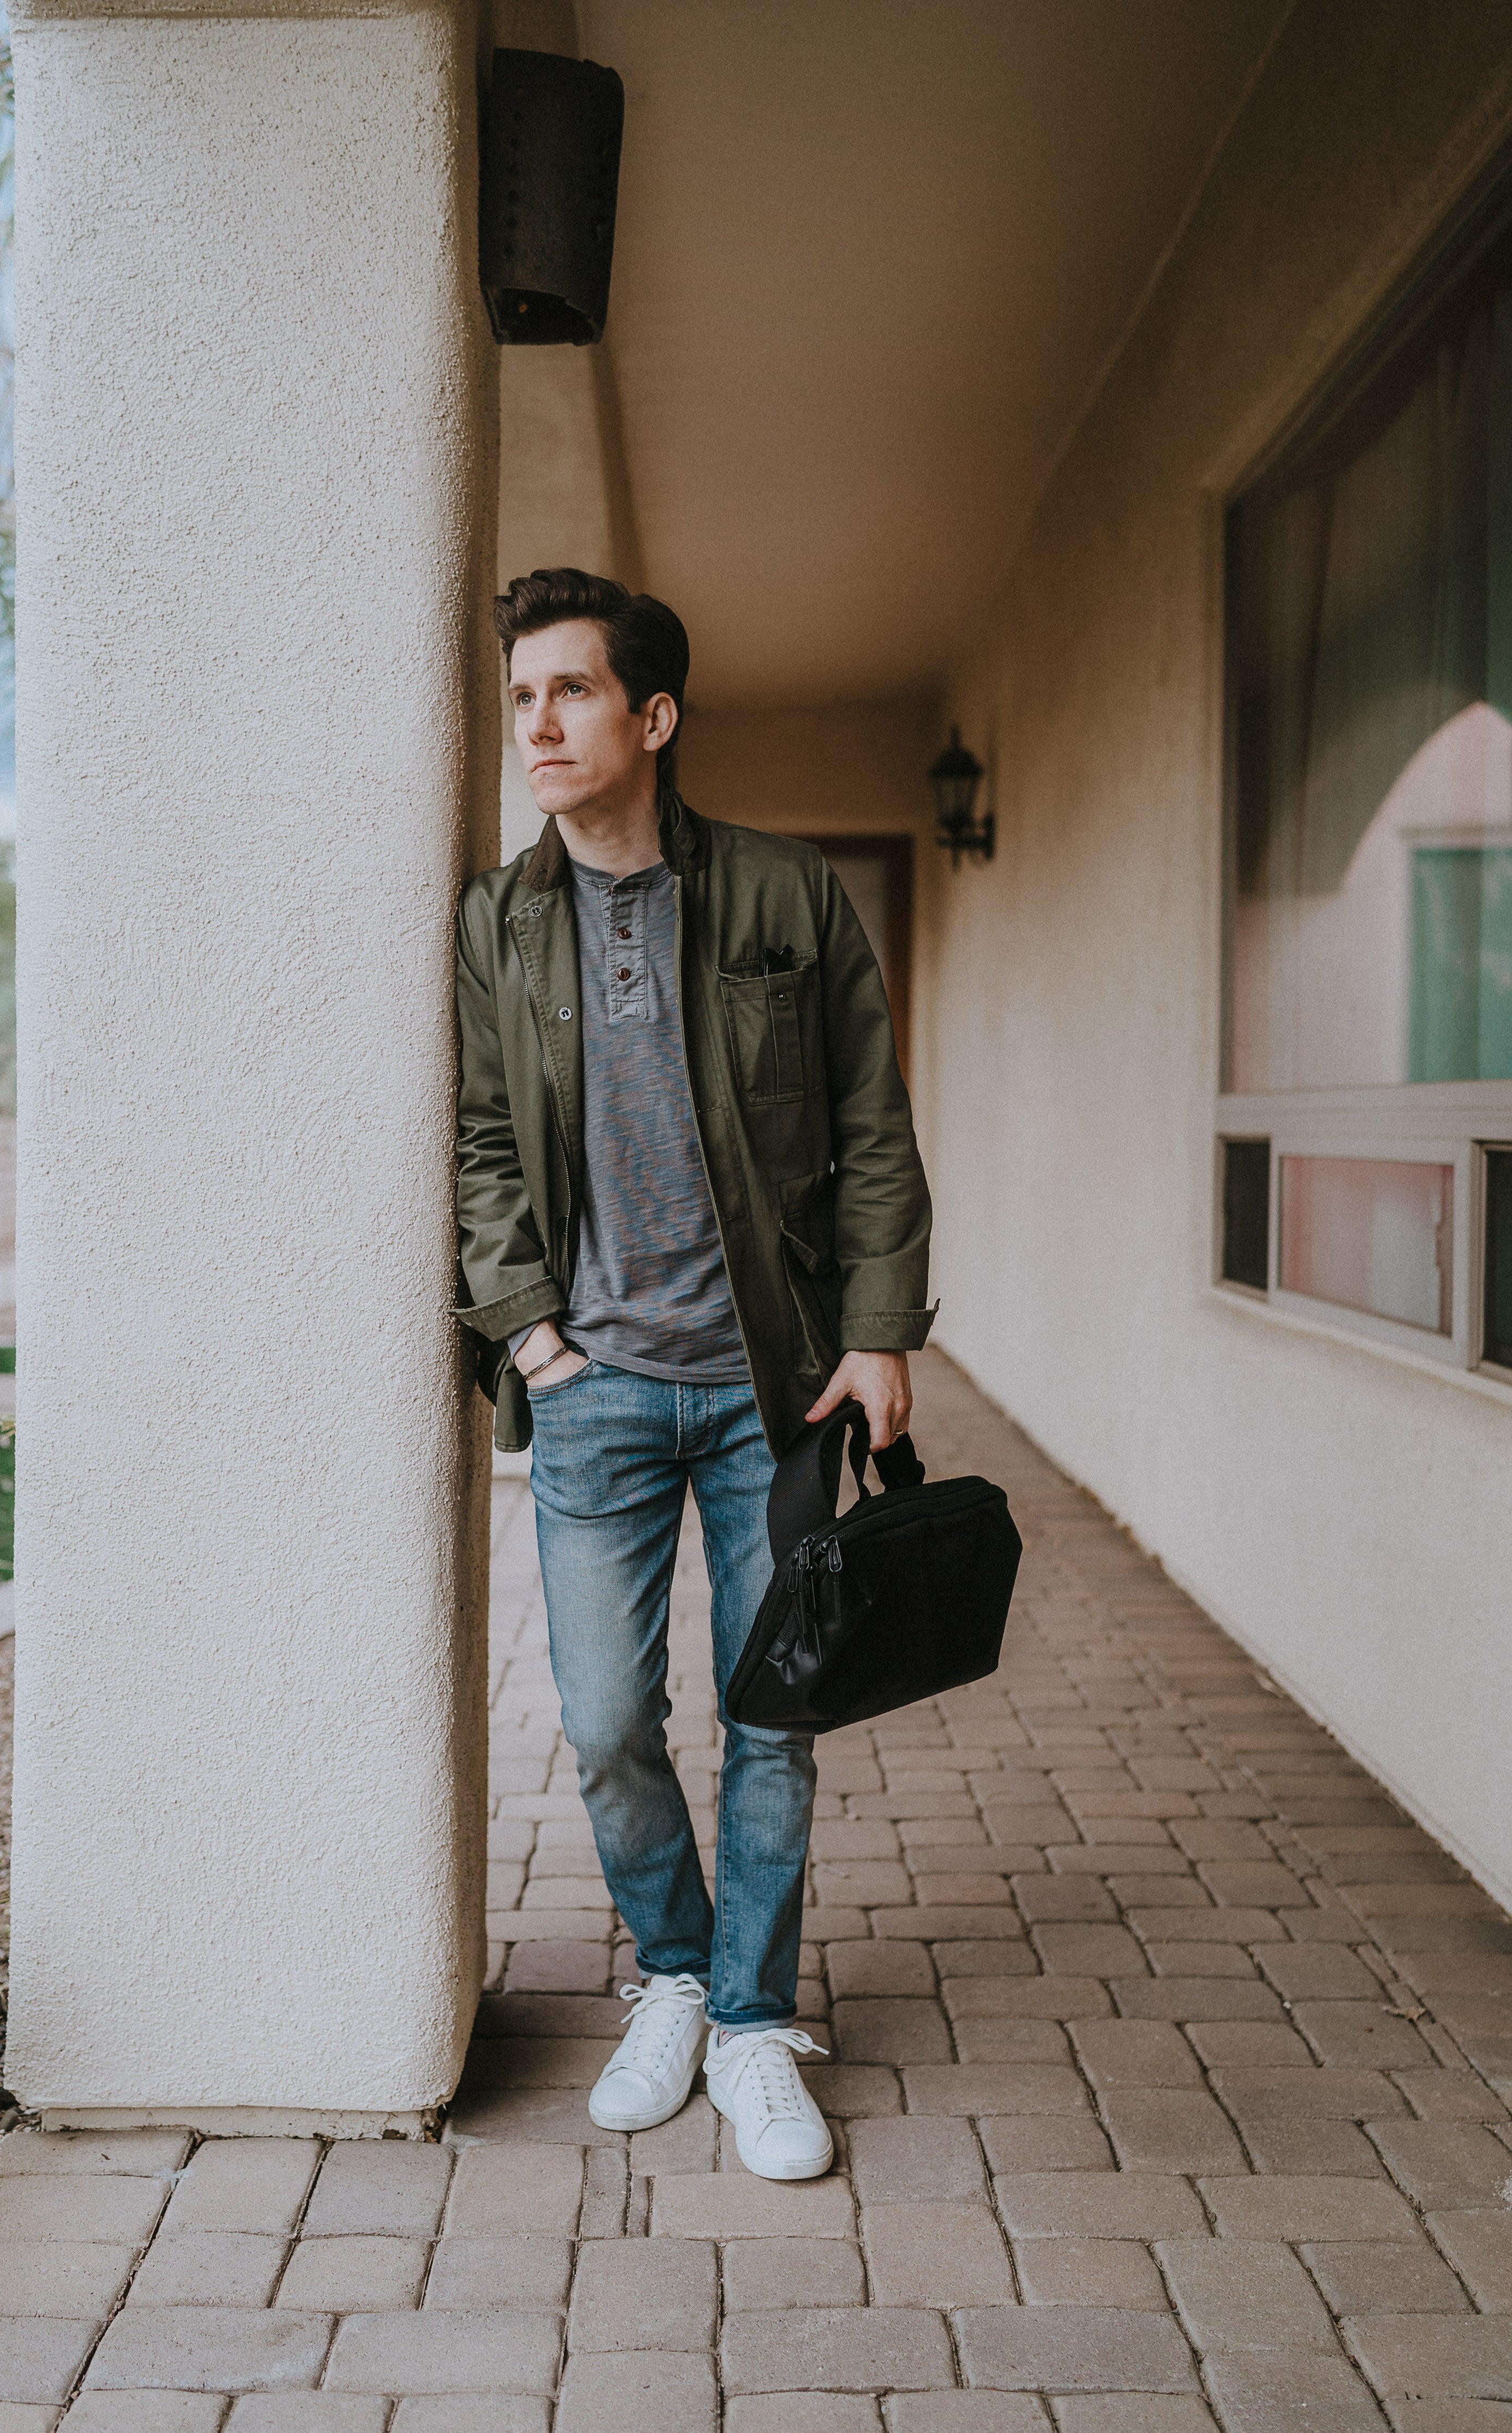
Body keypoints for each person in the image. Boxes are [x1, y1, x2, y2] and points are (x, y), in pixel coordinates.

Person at [454, 567, 934, 2180]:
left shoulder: (788, 896)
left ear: (653, 717)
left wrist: (878, 1332)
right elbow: (475, 1146)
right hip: (593, 1388)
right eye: (521, 697)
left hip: (768, 1388)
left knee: (776, 1712)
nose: (537, 724)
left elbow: (871, 1124)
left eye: (569, 692)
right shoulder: (497, 920)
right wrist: (531, 1331)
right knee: (602, 1719)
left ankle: (748, 2015)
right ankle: (671, 1964)